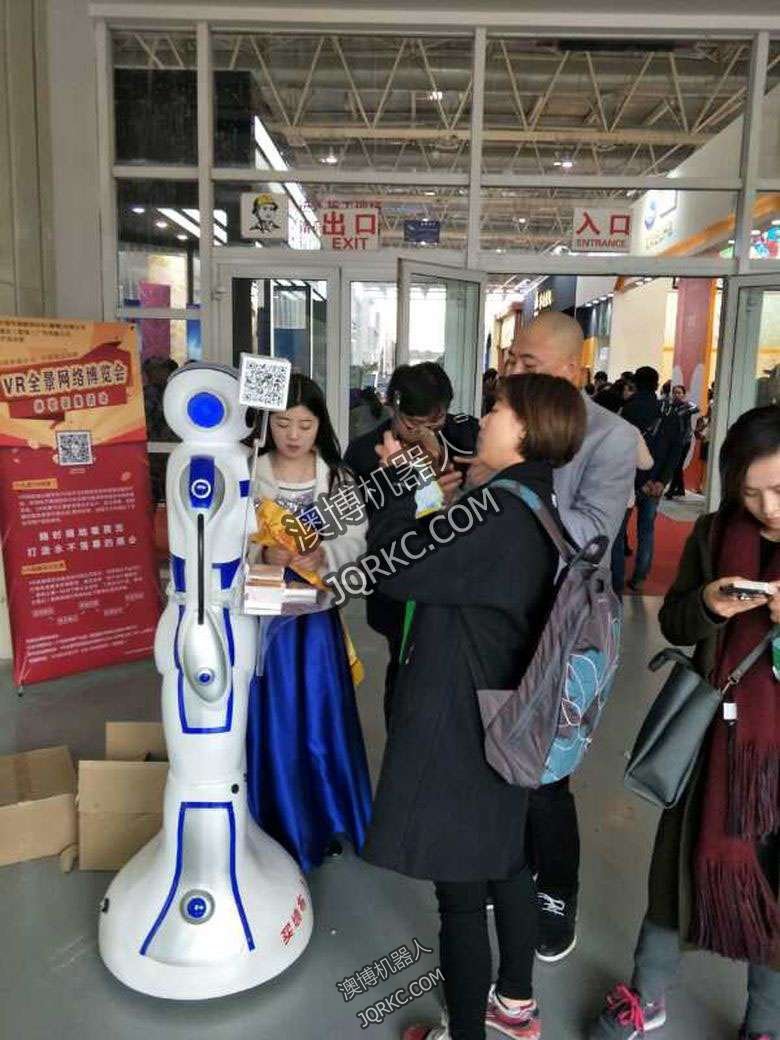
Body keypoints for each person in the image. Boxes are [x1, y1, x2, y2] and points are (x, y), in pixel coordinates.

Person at [360, 373, 587, 1040]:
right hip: (503, 716)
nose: (484, 419)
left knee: (461, 895)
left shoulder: (500, 515)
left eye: (498, 410)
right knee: (506, 864)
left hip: (461, 726)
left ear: (526, 429)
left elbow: (396, 567)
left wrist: (398, 485)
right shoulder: (530, 501)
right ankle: (514, 1005)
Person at [590, 405, 780, 1040]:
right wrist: (708, 604)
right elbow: (674, 622)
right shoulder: (713, 535)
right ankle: (647, 994)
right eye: (750, 492)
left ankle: (765, 1019)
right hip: (712, 739)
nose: (767, 507)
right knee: (675, 869)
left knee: (776, 879)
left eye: (779, 489)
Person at [468, 313, 636, 962]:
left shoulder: (612, 437)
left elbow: (595, 534)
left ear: (571, 371)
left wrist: (517, 490)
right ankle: (507, 866)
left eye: (528, 363)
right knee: (494, 748)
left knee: (546, 775)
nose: (512, 371)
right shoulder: (505, 422)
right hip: (499, 617)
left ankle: (557, 892)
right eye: (511, 359)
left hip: (563, 625)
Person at [246, 374, 372, 873]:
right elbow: (227, 537)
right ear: (267, 424)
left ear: (321, 425)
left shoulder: (337, 480)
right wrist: (262, 554)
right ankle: (274, 815)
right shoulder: (249, 473)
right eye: (282, 424)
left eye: (305, 424)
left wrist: (326, 556)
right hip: (266, 621)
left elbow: (357, 539)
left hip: (317, 620)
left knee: (321, 714)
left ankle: (326, 815)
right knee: (274, 714)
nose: (293, 435)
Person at [344, 362, 478, 726]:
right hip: (399, 579)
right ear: (393, 406)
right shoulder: (364, 452)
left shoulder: (466, 438)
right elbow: (364, 522)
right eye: (413, 424)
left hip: (456, 580)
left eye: (435, 424)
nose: (423, 434)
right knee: (405, 666)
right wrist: (424, 498)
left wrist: (451, 491)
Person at [621, 365, 684, 592]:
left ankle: (615, 575)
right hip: (656, 481)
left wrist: (641, 480)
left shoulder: (628, 410)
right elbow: (676, 449)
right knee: (646, 530)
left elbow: (623, 449)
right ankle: (640, 576)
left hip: (629, 479)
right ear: (657, 385)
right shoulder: (668, 412)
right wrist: (662, 480)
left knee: (619, 529)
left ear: (635, 383)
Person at [665, 384, 699, 500]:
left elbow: (697, 408)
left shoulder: (687, 405)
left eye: (679, 392)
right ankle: (680, 488)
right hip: (673, 439)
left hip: (685, 440)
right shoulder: (670, 406)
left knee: (677, 464)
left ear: (683, 394)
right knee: (676, 464)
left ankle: (671, 490)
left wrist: (684, 410)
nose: (676, 395)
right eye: (674, 392)